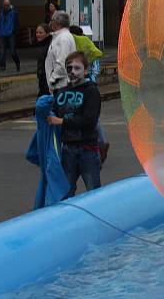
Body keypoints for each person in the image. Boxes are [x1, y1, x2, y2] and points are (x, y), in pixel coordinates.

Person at [46, 51, 102, 197]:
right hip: (68, 149)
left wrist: (62, 121)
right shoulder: (62, 92)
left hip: (87, 149)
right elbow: (54, 111)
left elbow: (89, 120)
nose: (73, 72)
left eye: (77, 68)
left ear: (85, 70)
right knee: (65, 192)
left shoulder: (91, 91)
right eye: (69, 68)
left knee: (93, 191)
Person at [69, 25, 109, 164]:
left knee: (88, 116)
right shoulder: (90, 50)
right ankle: (101, 142)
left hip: (85, 86)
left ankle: (100, 142)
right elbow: (96, 68)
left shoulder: (74, 53)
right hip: (91, 84)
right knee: (91, 116)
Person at [45, 11, 76, 94]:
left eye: (52, 20)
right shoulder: (61, 37)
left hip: (61, 86)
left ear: (57, 23)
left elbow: (62, 64)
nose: (50, 23)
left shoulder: (63, 39)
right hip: (61, 85)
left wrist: (52, 81)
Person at [0, 0, 21, 72]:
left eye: (7, 5)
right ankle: (2, 67)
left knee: (12, 52)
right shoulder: (0, 12)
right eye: (5, 5)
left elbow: (16, 23)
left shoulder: (13, 12)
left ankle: (17, 63)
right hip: (2, 35)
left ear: (10, 5)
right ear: (3, 5)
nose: (6, 6)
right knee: (2, 52)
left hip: (11, 35)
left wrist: (16, 33)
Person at [35, 24, 52, 97]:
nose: (38, 34)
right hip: (42, 80)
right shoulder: (42, 45)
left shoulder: (50, 46)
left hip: (47, 81)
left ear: (47, 33)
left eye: (40, 33)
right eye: (37, 32)